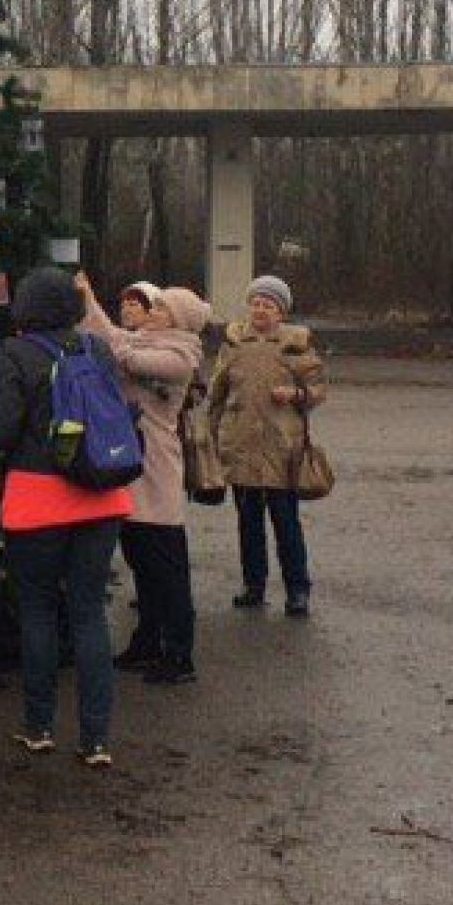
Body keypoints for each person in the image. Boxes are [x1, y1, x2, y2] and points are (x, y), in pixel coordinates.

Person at [0, 266, 133, 768]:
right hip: (100, 494)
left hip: (37, 500)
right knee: (89, 614)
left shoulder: (15, 353)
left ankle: (39, 725)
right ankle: (96, 739)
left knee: (39, 612)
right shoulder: (97, 349)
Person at [78, 274, 209, 684]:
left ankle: (179, 654)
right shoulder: (141, 340)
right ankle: (147, 642)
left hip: (156, 472)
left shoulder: (180, 356)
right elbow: (111, 335)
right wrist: (88, 300)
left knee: (166, 568)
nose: (152, 312)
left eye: (161, 307)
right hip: (131, 467)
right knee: (141, 563)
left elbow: (123, 356)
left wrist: (90, 302)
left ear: (178, 320)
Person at [209, 274, 326, 618]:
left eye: (268, 305)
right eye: (256, 303)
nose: (260, 310)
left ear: (281, 312)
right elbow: (217, 394)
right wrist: (211, 437)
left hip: (281, 449)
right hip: (240, 446)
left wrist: (295, 394)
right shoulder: (233, 344)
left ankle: (298, 589)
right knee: (248, 523)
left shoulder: (296, 346)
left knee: (286, 523)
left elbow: (318, 390)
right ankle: (253, 585)